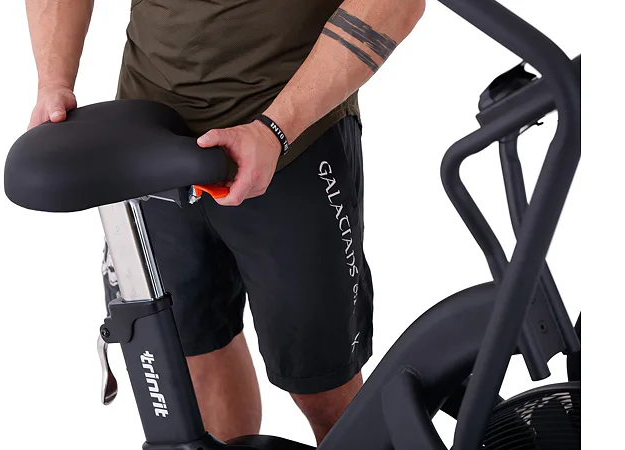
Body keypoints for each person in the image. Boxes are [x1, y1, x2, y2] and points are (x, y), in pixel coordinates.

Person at [25, 0, 425, 444]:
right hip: (153, 139)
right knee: (192, 353)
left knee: (323, 385)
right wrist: (53, 82)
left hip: (291, 137)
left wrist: (274, 130)